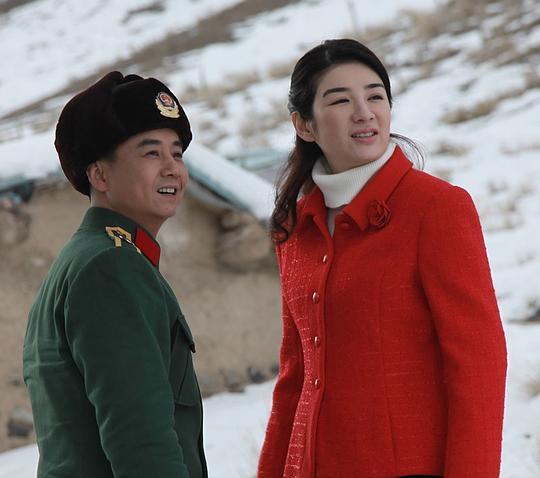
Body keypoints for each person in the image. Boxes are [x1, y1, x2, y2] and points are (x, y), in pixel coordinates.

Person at [258, 39, 507, 478]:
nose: (364, 112)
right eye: (341, 100)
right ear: (304, 125)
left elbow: (479, 365)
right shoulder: (294, 228)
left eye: (375, 96)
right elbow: (295, 376)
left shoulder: (436, 208)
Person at [23, 71, 207, 477]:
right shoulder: (110, 266)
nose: (172, 169)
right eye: (151, 153)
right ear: (100, 175)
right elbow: (142, 444)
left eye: (177, 153)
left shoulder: (91, 257)